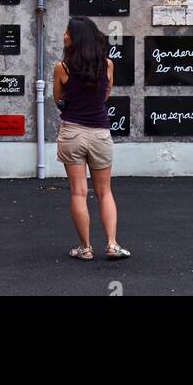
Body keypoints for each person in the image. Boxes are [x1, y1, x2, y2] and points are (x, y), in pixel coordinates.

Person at [53, 15, 131, 262]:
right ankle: (112, 244)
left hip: (72, 131)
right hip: (100, 133)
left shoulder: (62, 68)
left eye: (67, 32)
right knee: (104, 192)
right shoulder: (107, 65)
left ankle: (85, 248)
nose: (64, 35)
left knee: (78, 192)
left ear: (76, 38)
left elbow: (57, 99)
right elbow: (105, 95)